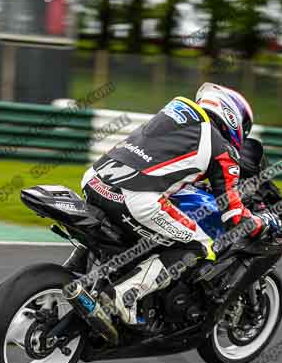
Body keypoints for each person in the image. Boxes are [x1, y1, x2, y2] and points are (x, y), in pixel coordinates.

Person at [77, 83, 272, 325]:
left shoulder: (173, 114)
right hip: (135, 200)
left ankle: (78, 276)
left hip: (94, 181)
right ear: (232, 118)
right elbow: (233, 214)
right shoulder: (221, 147)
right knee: (201, 245)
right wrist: (259, 222)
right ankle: (124, 295)